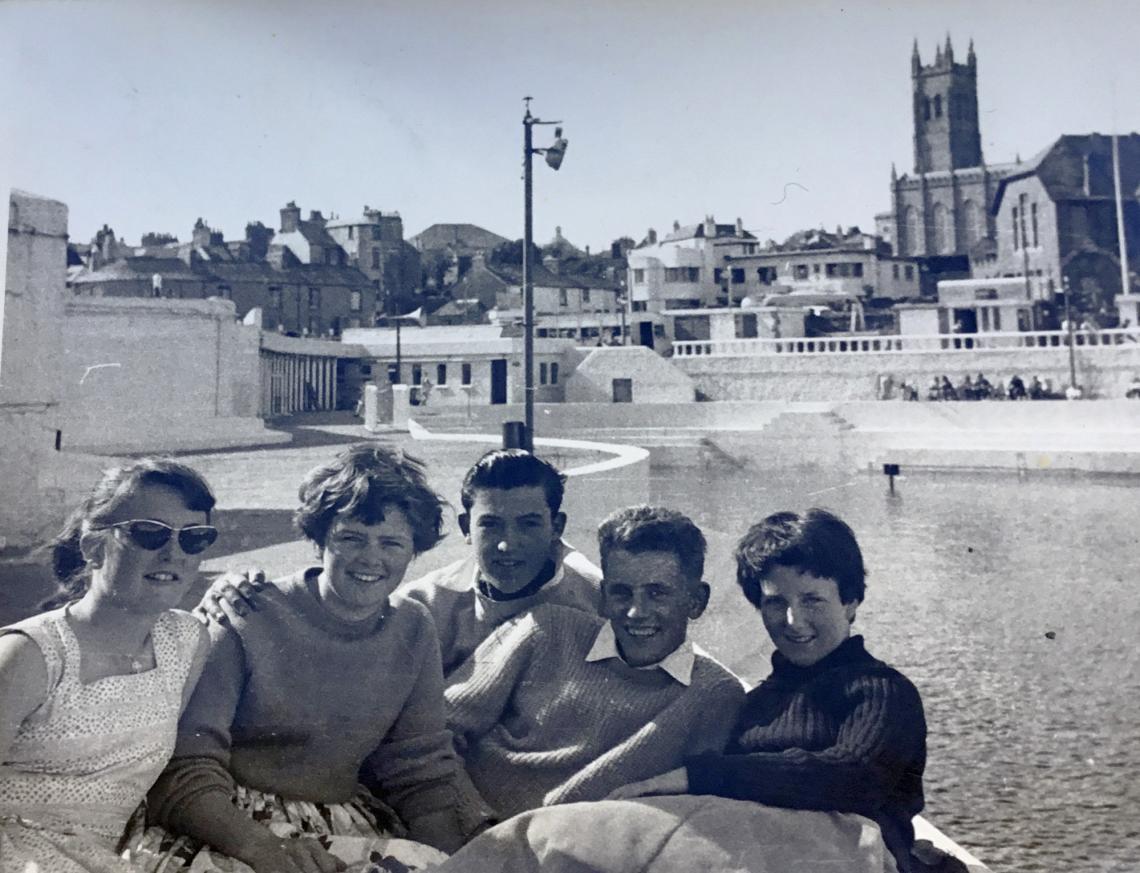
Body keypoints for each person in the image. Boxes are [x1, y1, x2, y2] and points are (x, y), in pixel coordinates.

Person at [140, 446, 482, 873]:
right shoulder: (246, 611)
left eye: (391, 543)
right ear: (320, 538)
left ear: (414, 550)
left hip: (346, 827)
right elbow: (186, 765)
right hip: (229, 828)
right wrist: (263, 849)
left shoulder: (413, 628)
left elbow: (421, 773)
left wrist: (456, 864)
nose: (371, 558)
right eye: (351, 538)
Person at [613, 509, 927, 873]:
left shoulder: (883, 692)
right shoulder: (757, 703)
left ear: (850, 602)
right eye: (776, 602)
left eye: (812, 600)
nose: (793, 621)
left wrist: (699, 776)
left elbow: (853, 776)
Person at [444, 506, 744, 819]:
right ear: (602, 596)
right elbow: (435, 729)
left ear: (696, 601)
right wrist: (471, 822)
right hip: (458, 824)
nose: (636, 612)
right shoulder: (546, 628)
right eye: (621, 593)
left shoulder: (715, 694)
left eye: (657, 593)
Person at [0, 458, 217, 872]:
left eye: (193, 538)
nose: (173, 552)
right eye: (149, 534)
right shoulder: (28, 655)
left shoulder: (188, 641)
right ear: (93, 547)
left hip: (114, 852)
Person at [398, 449, 603, 679]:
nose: (507, 545)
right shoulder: (424, 606)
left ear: (557, 527)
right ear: (467, 528)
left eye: (528, 525)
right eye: (491, 525)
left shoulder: (599, 602)